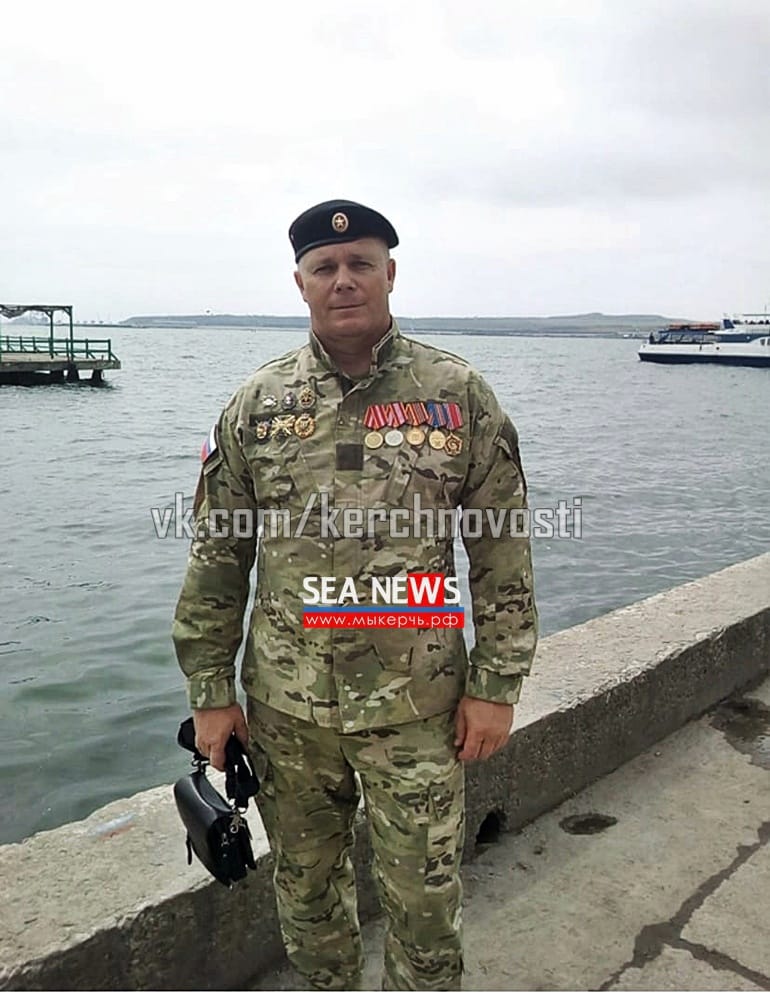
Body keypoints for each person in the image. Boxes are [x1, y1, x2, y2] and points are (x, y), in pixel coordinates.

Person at [172, 199, 538, 990]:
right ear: (300, 283)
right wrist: (211, 693)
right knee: (307, 898)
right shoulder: (258, 406)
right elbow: (218, 558)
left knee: (426, 906)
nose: (343, 279)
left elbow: (501, 550)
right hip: (287, 714)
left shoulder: (457, 395)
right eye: (325, 267)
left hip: (419, 709)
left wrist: (497, 686)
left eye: (360, 263)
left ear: (390, 274)